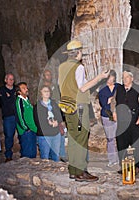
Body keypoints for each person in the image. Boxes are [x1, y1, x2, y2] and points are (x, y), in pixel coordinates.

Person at [58, 40, 109, 182]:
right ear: (78, 53)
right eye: (81, 52)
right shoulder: (78, 67)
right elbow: (82, 87)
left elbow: (60, 85)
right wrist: (100, 77)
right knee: (81, 137)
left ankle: (73, 170)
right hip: (79, 107)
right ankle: (81, 171)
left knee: (74, 137)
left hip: (67, 106)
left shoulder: (62, 67)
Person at [111, 70, 139, 174]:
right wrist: (114, 112)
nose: (125, 79)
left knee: (135, 145)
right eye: (123, 77)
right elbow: (113, 101)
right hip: (122, 122)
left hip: (134, 121)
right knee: (121, 144)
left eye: (127, 77)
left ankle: (136, 166)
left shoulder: (138, 89)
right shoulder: (118, 89)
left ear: (131, 78)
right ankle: (123, 166)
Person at [34, 85, 63, 161]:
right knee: (45, 158)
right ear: (41, 93)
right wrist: (49, 123)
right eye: (45, 91)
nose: (47, 93)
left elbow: (60, 116)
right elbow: (38, 121)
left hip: (55, 134)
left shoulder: (54, 104)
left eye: (48, 91)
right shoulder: (38, 106)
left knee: (55, 157)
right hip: (44, 135)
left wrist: (57, 121)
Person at [98, 70, 119, 167]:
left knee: (119, 137)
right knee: (110, 139)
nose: (111, 81)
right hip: (107, 115)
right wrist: (110, 100)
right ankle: (112, 159)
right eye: (109, 79)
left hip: (117, 114)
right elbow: (103, 104)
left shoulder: (118, 87)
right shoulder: (102, 89)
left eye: (112, 79)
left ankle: (120, 158)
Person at [15, 82, 37, 158]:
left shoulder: (27, 100)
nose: (26, 89)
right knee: (27, 152)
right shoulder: (19, 101)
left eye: (26, 88)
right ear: (19, 92)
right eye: (23, 88)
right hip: (26, 131)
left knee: (33, 151)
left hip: (32, 129)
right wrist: (26, 128)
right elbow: (19, 116)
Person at [0, 73, 16, 162]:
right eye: (9, 79)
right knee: (9, 135)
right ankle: (8, 155)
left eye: (12, 79)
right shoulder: (2, 90)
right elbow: (3, 102)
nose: (11, 81)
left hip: (17, 115)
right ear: (5, 80)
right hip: (8, 116)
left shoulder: (16, 89)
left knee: (21, 133)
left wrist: (10, 97)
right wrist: (12, 98)